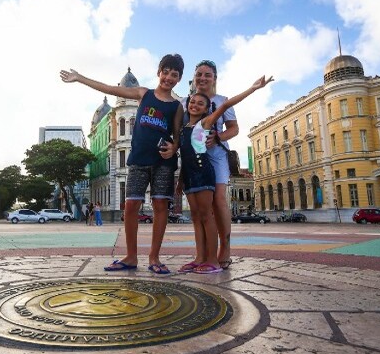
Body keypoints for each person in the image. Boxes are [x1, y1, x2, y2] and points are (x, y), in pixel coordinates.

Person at [60, 54, 184, 274]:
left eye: (174, 75)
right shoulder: (143, 94)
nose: (169, 78)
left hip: (163, 163)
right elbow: (109, 89)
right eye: (166, 72)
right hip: (137, 160)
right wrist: (80, 78)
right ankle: (131, 256)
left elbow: (177, 135)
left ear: (179, 78)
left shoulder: (176, 106)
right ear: (159, 72)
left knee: (160, 207)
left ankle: (154, 258)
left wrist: (174, 148)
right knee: (132, 206)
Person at [177, 75, 273, 274]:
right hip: (189, 177)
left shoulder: (204, 124)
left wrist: (253, 88)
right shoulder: (183, 128)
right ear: (187, 105)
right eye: (192, 101)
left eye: (200, 103)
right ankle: (200, 257)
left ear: (207, 109)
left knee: (206, 216)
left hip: (203, 174)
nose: (195, 104)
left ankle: (212, 260)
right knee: (196, 216)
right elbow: (184, 155)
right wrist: (180, 181)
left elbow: (227, 103)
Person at [182, 59, 237, 270]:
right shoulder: (187, 101)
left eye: (207, 75)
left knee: (219, 201)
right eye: (199, 75)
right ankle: (203, 254)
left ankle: (225, 249)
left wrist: (218, 137)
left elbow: (234, 128)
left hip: (216, 155)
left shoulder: (223, 100)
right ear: (194, 78)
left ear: (214, 78)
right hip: (195, 158)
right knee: (199, 210)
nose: (203, 78)